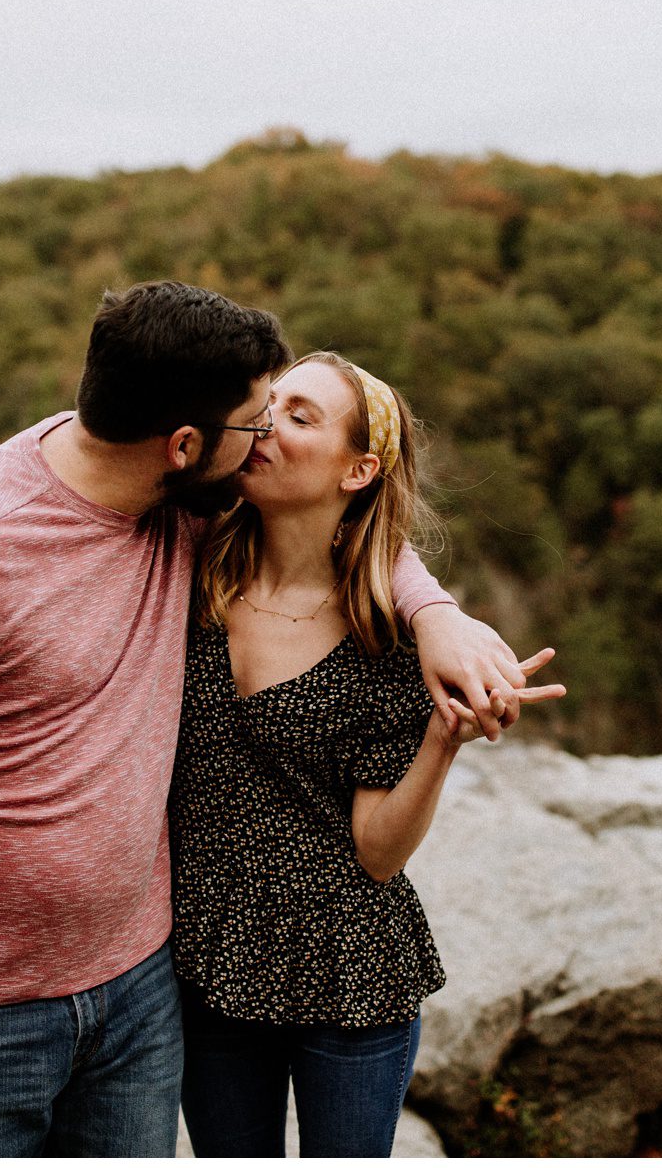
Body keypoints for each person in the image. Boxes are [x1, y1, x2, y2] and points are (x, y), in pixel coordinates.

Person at [0, 282, 534, 1157]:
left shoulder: (188, 512)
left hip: (143, 994)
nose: (264, 440)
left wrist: (437, 616)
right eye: (256, 424)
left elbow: (351, 536)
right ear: (186, 445)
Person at [169, 351, 563, 1157]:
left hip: (348, 974)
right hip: (208, 967)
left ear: (360, 469)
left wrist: (441, 743)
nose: (269, 423)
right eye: (269, 405)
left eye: (303, 417)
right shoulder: (189, 567)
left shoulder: (386, 637)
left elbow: (377, 854)